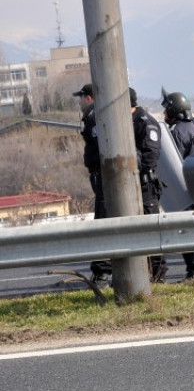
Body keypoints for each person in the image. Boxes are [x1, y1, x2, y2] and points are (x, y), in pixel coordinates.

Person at [161, 90, 194, 280]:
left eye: (167, 110)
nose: (165, 115)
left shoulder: (177, 132)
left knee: (186, 231)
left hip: (182, 187)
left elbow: (172, 162)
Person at [130, 88, 167, 282]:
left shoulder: (145, 122)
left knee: (151, 230)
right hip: (131, 187)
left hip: (145, 187)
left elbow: (150, 156)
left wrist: (132, 166)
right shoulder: (126, 122)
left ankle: (158, 274)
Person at [74, 84, 109, 286]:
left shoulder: (96, 117)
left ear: (89, 98)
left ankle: (103, 271)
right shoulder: (93, 117)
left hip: (103, 176)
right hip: (100, 176)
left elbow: (99, 147)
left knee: (103, 221)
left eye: (81, 98)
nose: (79, 102)